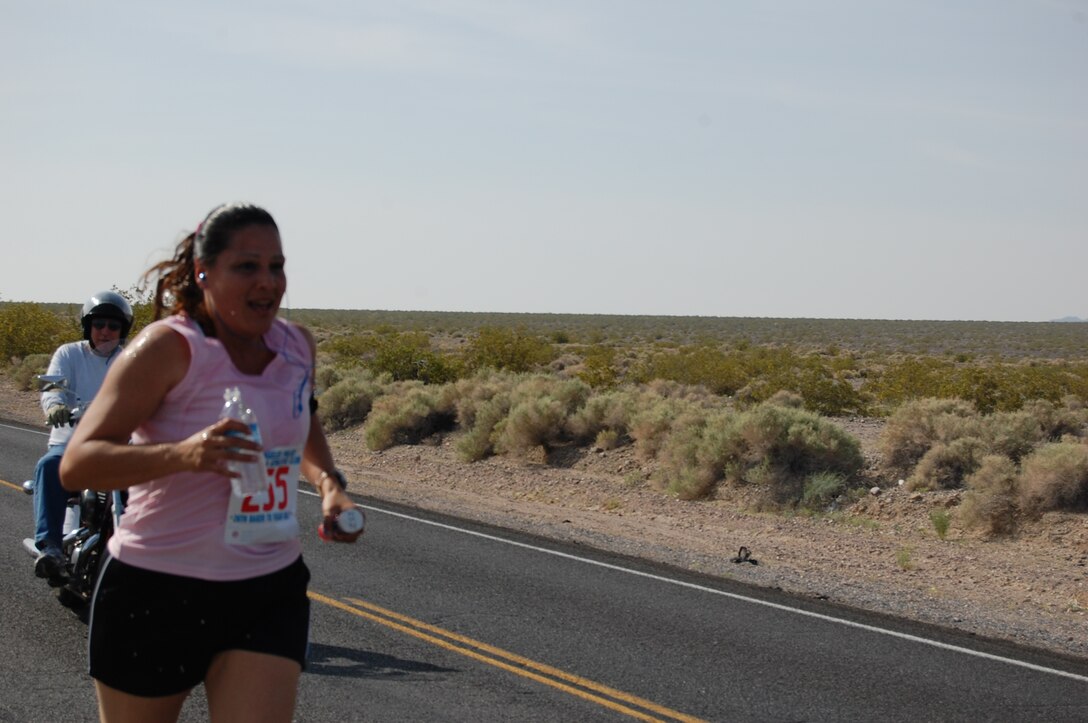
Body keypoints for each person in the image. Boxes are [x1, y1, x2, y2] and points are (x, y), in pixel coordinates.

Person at [60, 202, 362, 723]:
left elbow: (302, 418)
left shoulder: (297, 347)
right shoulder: (169, 348)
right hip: (155, 588)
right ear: (204, 273)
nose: (268, 281)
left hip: (267, 586)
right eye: (247, 266)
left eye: (277, 266)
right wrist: (184, 454)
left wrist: (329, 483)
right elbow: (79, 464)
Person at [33, 291, 132, 584]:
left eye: (113, 326)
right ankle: (49, 546)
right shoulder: (68, 353)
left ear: (122, 330)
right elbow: (53, 387)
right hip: (71, 443)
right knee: (49, 466)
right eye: (99, 323)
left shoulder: (130, 360)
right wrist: (56, 407)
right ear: (88, 326)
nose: (105, 331)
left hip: (114, 446)